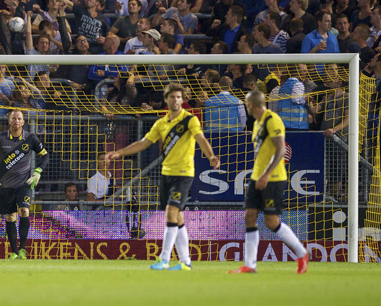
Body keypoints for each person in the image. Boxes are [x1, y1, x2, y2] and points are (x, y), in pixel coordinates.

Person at [106, 83, 220, 270]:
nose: (175, 100)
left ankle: (164, 259)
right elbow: (143, 143)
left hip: (184, 173)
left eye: (178, 97)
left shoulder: (190, 120)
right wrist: (120, 153)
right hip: (166, 173)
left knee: (171, 213)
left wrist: (211, 156)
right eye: (172, 97)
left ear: (182, 100)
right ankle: (186, 262)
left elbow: (201, 138)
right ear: (166, 100)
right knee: (178, 217)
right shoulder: (161, 123)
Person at [228, 90, 309, 274]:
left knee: (271, 222)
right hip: (257, 176)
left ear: (251, 105)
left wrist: (266, 174)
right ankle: (250, 265)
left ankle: (301, 252)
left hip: (272, 178)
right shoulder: (257, 123)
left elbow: (281, 149)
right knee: (249, 216)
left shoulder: (272, 120)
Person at [0, 110, 50, 259]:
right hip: (5, 185)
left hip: (24, 184)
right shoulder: (0, 138)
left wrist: (38, 171)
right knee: (10, 217)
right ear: (9, 121)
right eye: (14, 118)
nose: (16, 121)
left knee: (24, 211)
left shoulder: (31, 138)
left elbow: (45, 155)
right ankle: (14, 252)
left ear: (23, 122)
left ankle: (23, 249)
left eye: (19, 119)